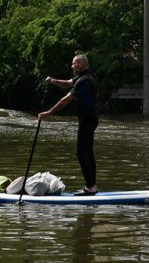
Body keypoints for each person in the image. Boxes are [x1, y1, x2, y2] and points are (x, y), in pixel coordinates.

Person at [39, 54, 99, 196]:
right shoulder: (87, 76)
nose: (72, 66)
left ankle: (90, 187)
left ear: (81, 64)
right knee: (88, 151)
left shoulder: (85, 80)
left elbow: (66, 99)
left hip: (87, 119)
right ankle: (92, 186)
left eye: (74, 64)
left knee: (81, 152)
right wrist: (53, 81)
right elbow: (67, 83)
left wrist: (48, 113)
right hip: (90, 118)